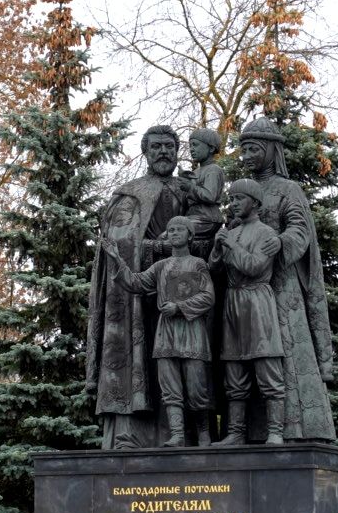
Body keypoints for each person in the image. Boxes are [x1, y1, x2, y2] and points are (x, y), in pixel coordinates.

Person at [85, 125, 195, 448]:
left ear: (178, 152)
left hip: (180, 292)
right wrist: (154, 248)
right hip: (137, 293)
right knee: (138, 359)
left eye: (170, 147)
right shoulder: (130, 194)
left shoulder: (189, 191)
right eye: (157, 146)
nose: (164, 152)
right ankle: (129, 434)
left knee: (178, 363)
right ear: (145, 152)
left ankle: (182, 434)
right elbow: (115, 243)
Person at [234, 117, 337, 441]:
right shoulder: (243, 190)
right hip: (247, 287)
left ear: (270, 150)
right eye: (244, 150)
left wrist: (280, 241)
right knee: (247, 357)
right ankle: (253, 431)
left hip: (281, 286)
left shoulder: (287, 189)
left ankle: (296, 428)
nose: (247, 156)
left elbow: (300, 228)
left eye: (253, 149)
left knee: (284, 354)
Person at [109, 217, 214, 446]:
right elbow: (136, 283)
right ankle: (177, 435)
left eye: (179, 230)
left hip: (192, 331)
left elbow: (208, 297)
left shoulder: (198, 264)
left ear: (189, 235)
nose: (174, 233)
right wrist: (118, 260)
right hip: (165, 333)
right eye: (170, 230)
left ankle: (204, 433)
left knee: (197, 389)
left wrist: (179, 307)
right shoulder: (160, 266)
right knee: (170, 387)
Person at [208, 180, 285, 445]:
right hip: (233, 301)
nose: (234, 204)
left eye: (240, 198)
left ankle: (275, 431)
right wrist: (218, 248)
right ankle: (236, 433)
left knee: (266, 362)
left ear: (254, 201)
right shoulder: (232, 231)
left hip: (257, 301)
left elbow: (254, 266)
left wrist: (230, 245)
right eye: (232, 199)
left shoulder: (266, 234)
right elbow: (214, 270)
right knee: (234, 367)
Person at [180, 127, 227, 257]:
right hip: (193, 217)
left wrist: (189, 187)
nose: (191, 149)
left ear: (211, 148)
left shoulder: (213, 170)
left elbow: (210, 195)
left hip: (207, 219)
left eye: (195, 145)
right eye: (190, 146)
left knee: (174, 235)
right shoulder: (194, 173)